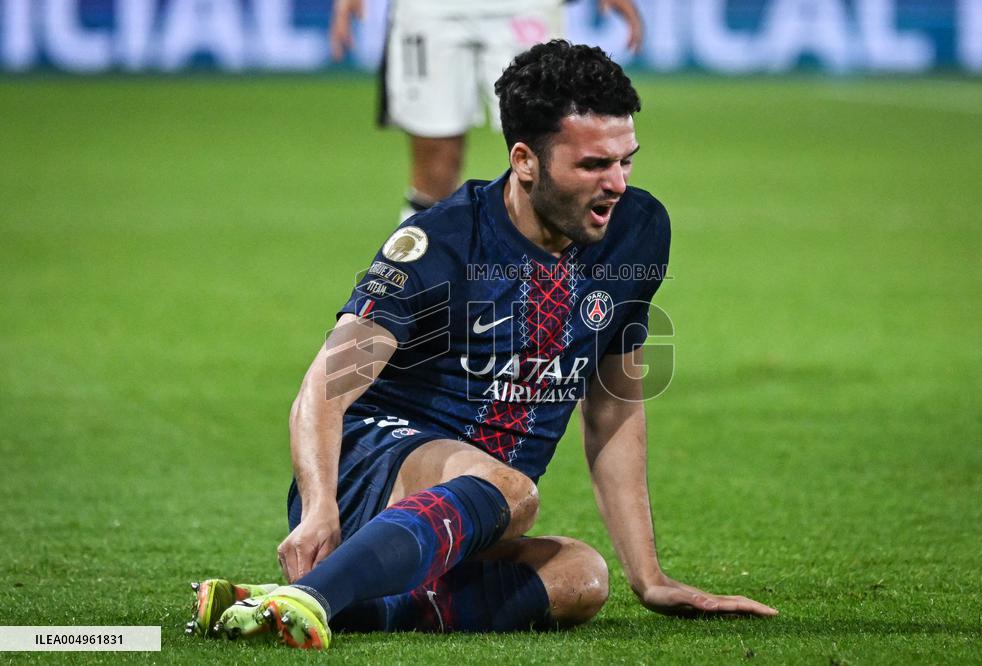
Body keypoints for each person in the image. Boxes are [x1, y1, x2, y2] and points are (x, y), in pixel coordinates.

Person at [186, 40, 777, 649]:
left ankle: (318, 607)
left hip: (481, 512)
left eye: (627, 160)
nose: (618, 183)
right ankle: (315, 592)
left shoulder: (638, 232)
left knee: (580, 579)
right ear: (525, 160)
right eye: (594, 165)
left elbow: (615, 404)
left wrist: (649, 578)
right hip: (375, 469)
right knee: (513, 491)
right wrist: (317, 511)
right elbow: (324, 390)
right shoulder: (439, 242)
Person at [329, 0, 644, 222]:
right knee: (436, 160)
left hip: (524, 7)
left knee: (548, 148)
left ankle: (551, 284)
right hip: (429, 10)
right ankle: (420, 287)